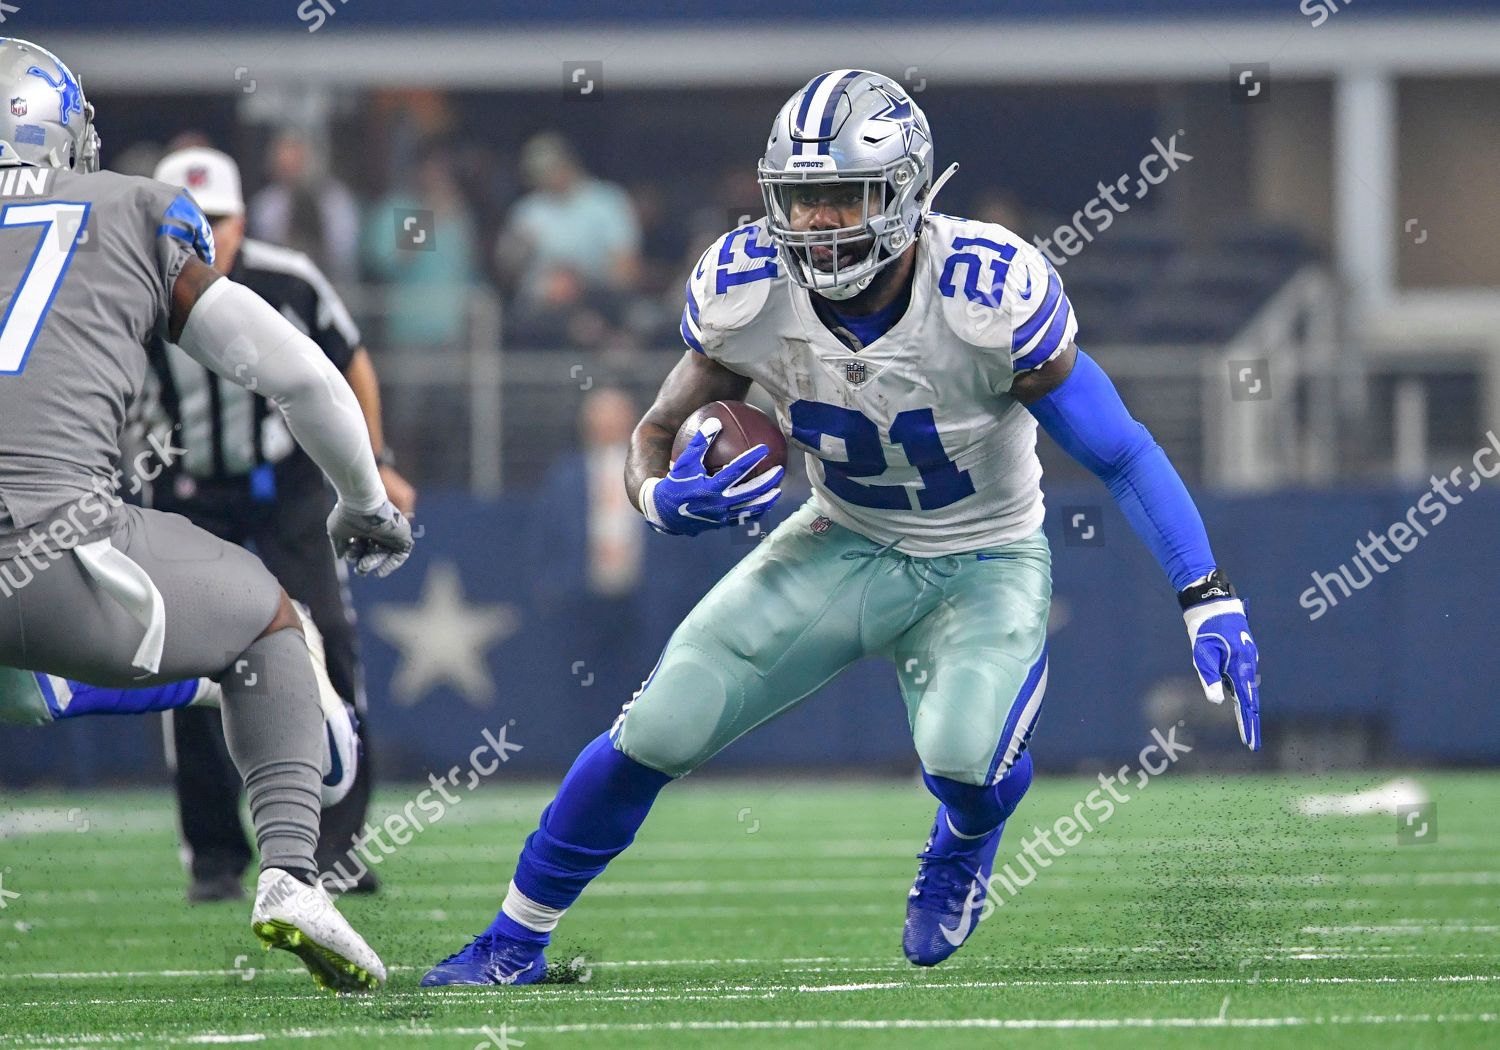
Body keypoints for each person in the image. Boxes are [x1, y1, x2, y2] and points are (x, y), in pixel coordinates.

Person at [422, 70, 1260, 986]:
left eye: (840, 197)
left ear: (903, 193)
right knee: (659, 724)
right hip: (842, 537)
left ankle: (967, 836)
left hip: (983, 556)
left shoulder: (985, 290)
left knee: (962, 759)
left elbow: (1123, 453)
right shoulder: (748, 288)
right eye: (800, 199)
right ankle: (513, 941)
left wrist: (1204, 593)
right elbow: (654, 434)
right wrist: (658, 497)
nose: (817, 223)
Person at [0, 40, 412, 992]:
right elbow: (300, 372)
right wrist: (362, 500)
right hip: (59, 544)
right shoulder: (134, 209)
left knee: (23, 683)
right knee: (273, 626)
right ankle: (291, 875)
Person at [141, 146, 416, 902]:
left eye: (220, 221)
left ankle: (339, 849)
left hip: (288, 486)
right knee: (186, 665)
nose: (208, 237)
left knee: (328, 635)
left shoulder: (288, 277)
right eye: (192, 222)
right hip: (191, 489)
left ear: (242, 220)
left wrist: (376, 458)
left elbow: (347, 359)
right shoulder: (130, 282)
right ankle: (215, 852)